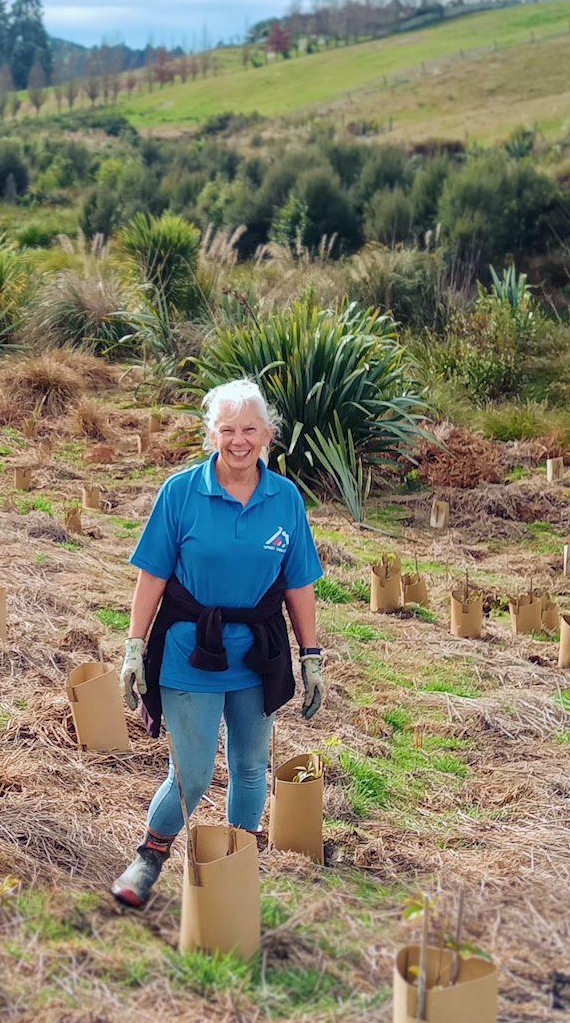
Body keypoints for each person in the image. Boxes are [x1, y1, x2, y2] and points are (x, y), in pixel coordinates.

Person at [111, 378, 325, 908]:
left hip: (258, 651)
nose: (238, 440)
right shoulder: (181, 492)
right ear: (211, 435)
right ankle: (149, 856)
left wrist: (312, 657)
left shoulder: (285, 499)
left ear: (268, 434)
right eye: (227, 429)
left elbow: (298, 584)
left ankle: (234, 868)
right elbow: (152, 576)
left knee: (252, 766)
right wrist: (134, 647)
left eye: (249, 428)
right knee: (193, 771)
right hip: (189, 648)